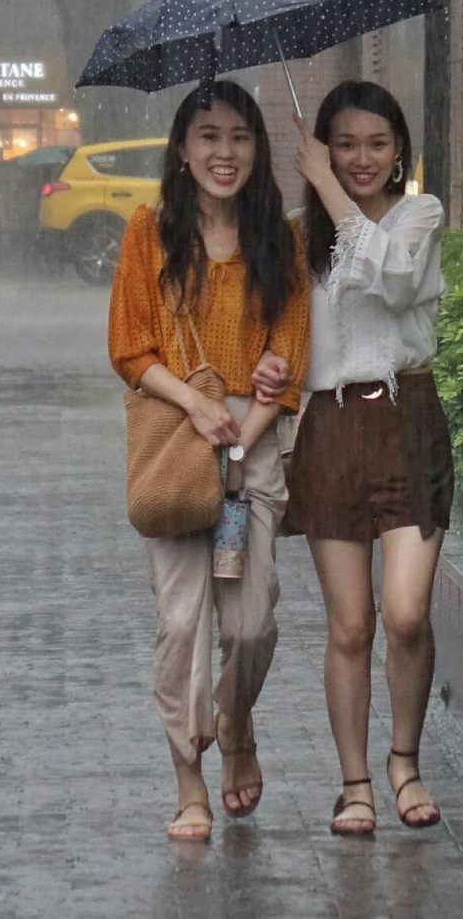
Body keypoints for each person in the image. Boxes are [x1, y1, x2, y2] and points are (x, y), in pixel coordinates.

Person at [108, 79, 309, 843]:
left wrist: (246, 430)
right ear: (183, 150)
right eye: (209, 136)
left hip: (251, 449)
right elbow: (129, 346)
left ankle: (236, 721)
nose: (224, 153)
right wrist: (197, 408)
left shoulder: (278, 240)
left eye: (240, 136)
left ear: (258, 149)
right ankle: (189, 783)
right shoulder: (149, 232)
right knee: (182, 624)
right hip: (175, 445)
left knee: (252, 623)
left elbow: (290, 351)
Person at [283, 79, 454, 835]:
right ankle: (356, 784)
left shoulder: (421, 214)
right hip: (330, 428)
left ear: (399, 152)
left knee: (405, 613)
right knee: (350, 625)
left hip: (408, 420)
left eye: (375, 143)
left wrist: (325, 184)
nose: (359, 158)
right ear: (327, 142)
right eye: (343, 144)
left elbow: (392, 280)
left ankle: (404, 762)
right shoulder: (296, 236)